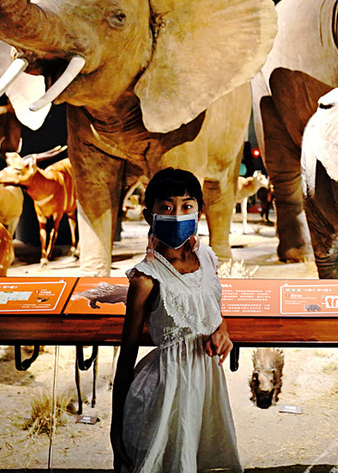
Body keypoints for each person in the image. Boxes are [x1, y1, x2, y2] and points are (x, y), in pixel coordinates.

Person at [110, 168, 242, 473]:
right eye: (166, 208)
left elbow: (213, 316)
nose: (178, 215)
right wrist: (116, 429)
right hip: (165, 392)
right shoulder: (146, 278)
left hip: (205, 388)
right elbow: (127, 352)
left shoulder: (207, 257)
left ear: (199, 211)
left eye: (187, 206)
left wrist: (222, 333)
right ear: (149, 215)